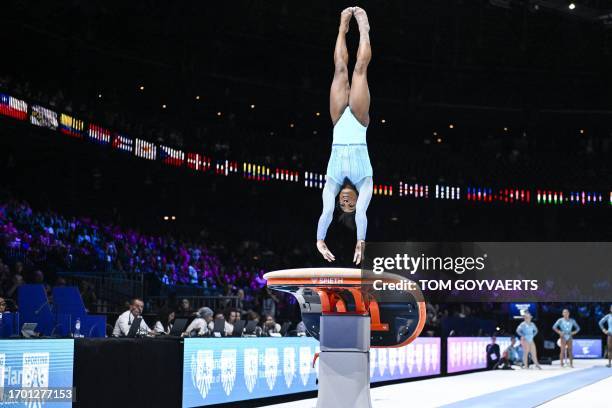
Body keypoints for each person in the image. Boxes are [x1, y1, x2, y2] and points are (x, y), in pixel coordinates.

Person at [316, 7, 374, 266]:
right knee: (360, 69)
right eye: (352, 205)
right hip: (359, 124)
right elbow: (362, 213)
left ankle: (342, 28)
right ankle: (364, 30)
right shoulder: (364, 184)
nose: (348, 202)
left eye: (345, 205)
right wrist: (361, 240)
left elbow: (327, 211)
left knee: (340, 69)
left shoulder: (332, 181)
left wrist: (320, 239)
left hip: (339, 122)